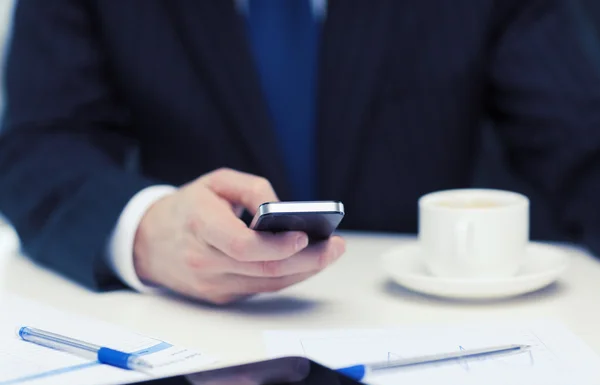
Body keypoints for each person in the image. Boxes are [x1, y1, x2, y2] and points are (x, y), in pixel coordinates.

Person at [1, 0, 600, 305]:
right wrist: (143, 229)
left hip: (422, 333)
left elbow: (583, 144)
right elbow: (39, 142)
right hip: (187, 338)